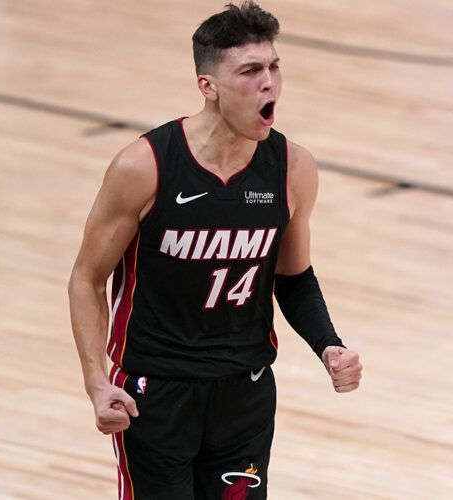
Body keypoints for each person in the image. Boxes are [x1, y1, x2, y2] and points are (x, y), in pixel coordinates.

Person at [67, 2, 363, 499]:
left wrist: (327, 343)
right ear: (209, 87)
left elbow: (292, 277)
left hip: (243, 389)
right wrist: (96, 381)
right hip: (155, 390)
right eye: (250, 71)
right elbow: (87, 279)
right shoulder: (144, 167)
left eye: (273, 67)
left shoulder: (292, 167)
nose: (268, 82)